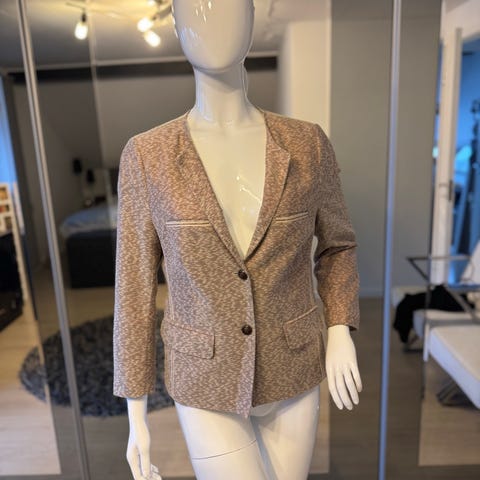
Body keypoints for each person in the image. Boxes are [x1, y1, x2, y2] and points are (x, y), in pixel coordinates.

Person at [113, 1, 362, 479]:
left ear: (252, 19)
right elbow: (134, 285)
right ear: (176, 26)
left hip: (294, 364)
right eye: (194, 9)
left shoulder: (307, 143)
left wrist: (338, 328)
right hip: (204, 375)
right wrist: (135, 409)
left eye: (230, 7)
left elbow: (338, 247)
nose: (211, 20)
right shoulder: (147, 156)